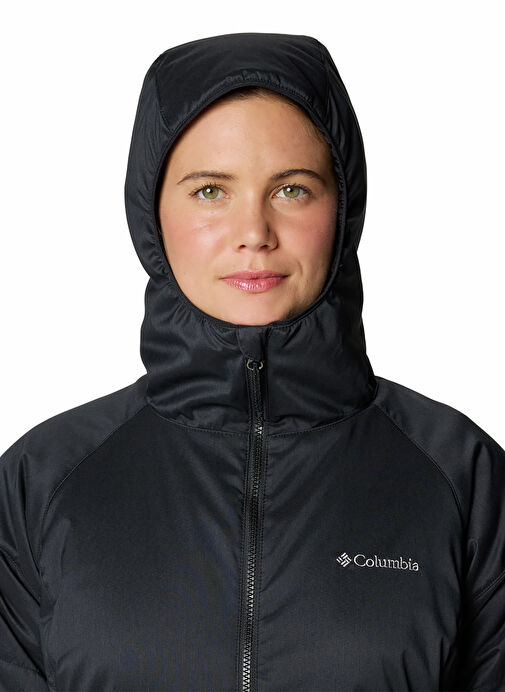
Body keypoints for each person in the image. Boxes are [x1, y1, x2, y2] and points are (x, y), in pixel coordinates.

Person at [0, 31, 504, 692]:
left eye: (292, 190)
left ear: (343, 207)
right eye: (210, 191)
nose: (254, 233)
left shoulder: (461, 477)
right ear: (151, 213)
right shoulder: (42, 482)